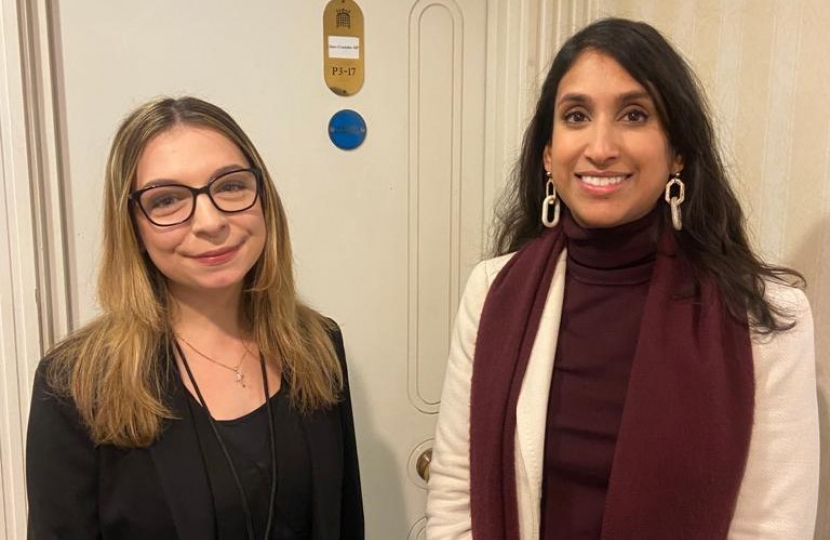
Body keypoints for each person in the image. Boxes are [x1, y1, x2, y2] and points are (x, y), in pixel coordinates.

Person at [426, 18, 818, 540]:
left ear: (677, 150)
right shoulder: (491, 293)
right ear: (548, 153)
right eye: (576, 116)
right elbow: (456, 495)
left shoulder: (767, 318)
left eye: (634, 114)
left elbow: (773, 527)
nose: (601, 146)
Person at [26, 96, 363, 540]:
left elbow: (344, 521)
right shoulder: (77, 383)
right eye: (166, 200)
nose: (209, 221)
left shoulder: (317, 344)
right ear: (134, 229)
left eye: (230, 186)